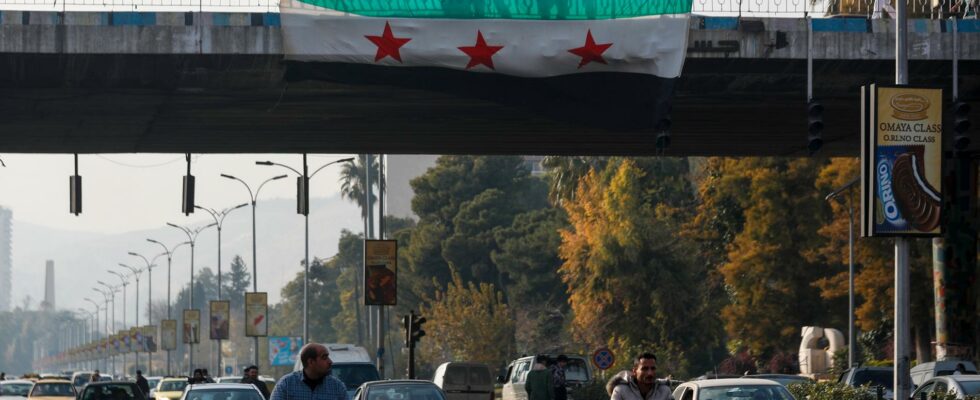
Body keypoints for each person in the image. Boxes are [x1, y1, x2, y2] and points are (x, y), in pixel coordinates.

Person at [269, 343, 346, 400]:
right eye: (324, 357)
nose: (330, 362)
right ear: (311, 362)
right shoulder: (286, 384)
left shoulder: (337, 387)